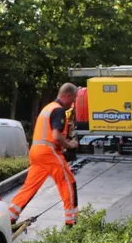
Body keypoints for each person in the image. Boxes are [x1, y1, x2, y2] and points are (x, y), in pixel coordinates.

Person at [8, 83, 79, 227]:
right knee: (68, 182)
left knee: (30, 186)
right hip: (48, 152)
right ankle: (71, 222)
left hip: (36, 151)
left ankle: (10, 216)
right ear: (68, 95)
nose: (72, 104)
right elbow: (56, 136)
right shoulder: (58, 110)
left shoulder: (47, 108)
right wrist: (69, 145)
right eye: (73, 100)